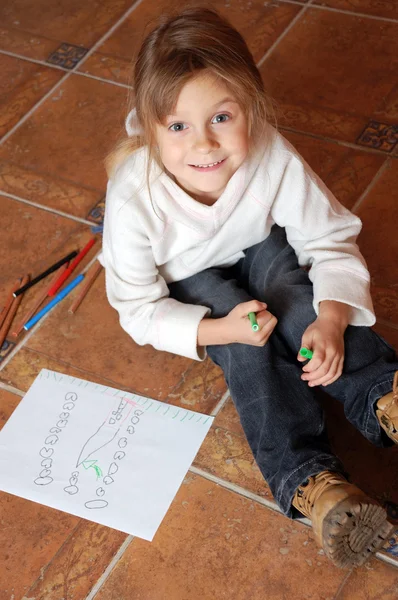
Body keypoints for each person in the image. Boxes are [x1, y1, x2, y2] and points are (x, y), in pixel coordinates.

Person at [100, 7, 398, 568]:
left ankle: (383, 393)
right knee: (247, 345)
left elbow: (328, 239)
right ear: (148, 125)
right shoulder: (133, 195)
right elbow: (138, 307)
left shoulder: (270, 153)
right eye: (178, 126)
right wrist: (217, 328)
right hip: (187, 278)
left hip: (258, 245)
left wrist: (332, 317)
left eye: (221, 116)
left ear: (252, 108)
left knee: (294, 293)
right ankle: (315, 484)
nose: (205, 145)